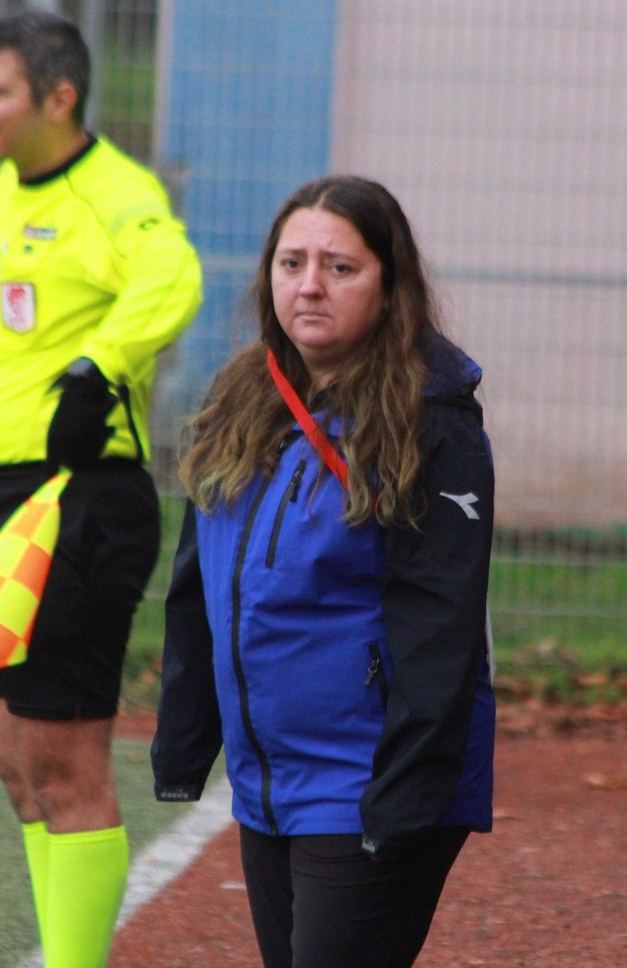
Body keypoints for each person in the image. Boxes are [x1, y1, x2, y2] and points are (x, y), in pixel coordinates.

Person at [151, 175, 495, 968]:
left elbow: (440, 625)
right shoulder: (241, 395)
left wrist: (401, 795)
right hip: (269, 779)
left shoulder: (428, 420)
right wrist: (185, 741)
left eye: (341, 267)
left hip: (368, 778)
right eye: (292, 262)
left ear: (390, 286)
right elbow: (197, 586)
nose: (309, 285)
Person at [0, 8, 201, 968]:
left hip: (73, 505)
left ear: (61, 96)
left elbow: (173, 276)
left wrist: (99, 367)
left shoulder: (114, 193)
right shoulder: (6, 188)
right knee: (15, 765)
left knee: (62, 765)